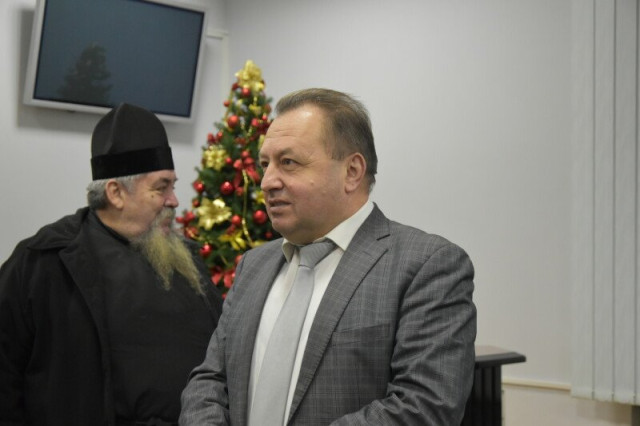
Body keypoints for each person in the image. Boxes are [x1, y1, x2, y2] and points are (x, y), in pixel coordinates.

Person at [179, 88, 476, 425]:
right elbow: (210, 380)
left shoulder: (425, 266)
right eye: (265, 165)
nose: (267, 182)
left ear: (352, 171)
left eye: (288, 163)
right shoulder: (253, 265)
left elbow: (424, 407)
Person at [0, 103, 223, 426]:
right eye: (161, 187)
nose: (174, 200)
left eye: (172, 186)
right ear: (116, 192)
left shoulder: (186, 257)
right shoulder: (43, 261)